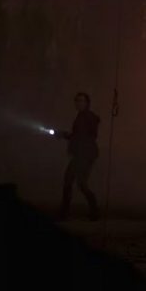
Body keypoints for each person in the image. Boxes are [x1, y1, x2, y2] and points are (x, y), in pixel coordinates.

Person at [57, 92, 100, 220]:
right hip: (83, 154)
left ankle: (64, 213)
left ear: (87, 103)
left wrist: (65, 135)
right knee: (78, 183)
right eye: (77, 100)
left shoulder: (86, 117)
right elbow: (80, 136)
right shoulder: (82, 116)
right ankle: (93, 211)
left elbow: (84, 136)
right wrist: (66, 135)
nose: (78, 103)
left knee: (72, 181)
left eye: (81, 101)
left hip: (84, 154)